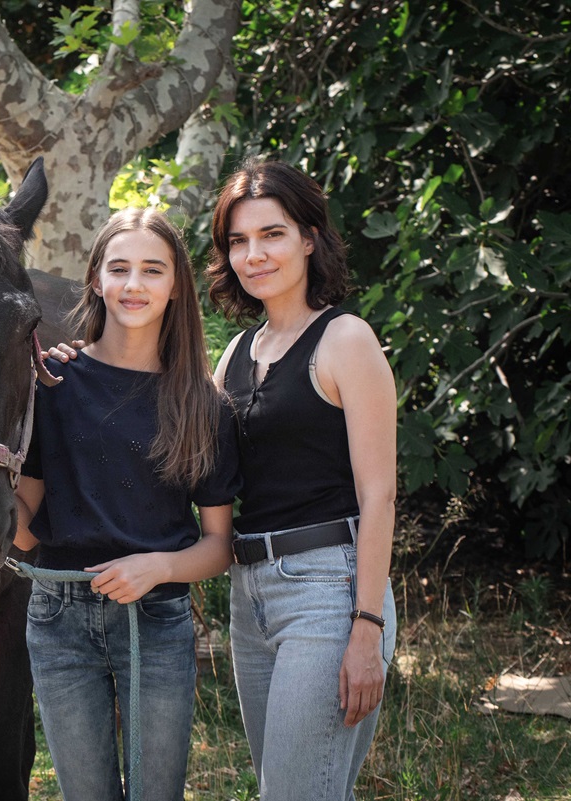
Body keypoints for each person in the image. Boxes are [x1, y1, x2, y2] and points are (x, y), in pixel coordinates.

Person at [12, 208, 240, 801]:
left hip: (157, 621)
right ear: (96, 279)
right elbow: (24, 527)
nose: (133, 285)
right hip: (59, 618)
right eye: (119, 269)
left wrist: (158, 567)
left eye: (152, 271)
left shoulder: (201, 402)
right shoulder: (52, 384)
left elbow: (219, 546)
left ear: (175, 287)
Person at [207, 157, 397, 800]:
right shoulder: (235, 354)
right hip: (248, 594)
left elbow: (380, 494)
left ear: (309, 238)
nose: (253, 254)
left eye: (272, 234)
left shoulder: (346, 340)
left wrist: (366, 628)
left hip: (329, 591)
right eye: (238, 241)